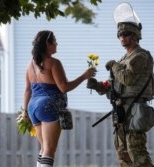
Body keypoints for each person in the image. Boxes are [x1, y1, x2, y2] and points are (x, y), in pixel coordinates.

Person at [87, 10, 154, 167]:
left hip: (135, 108)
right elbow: (116, 83)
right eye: (119, 35)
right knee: (123, 152)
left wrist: (113, 65)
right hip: (122, 110)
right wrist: (97, 86)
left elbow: (128, 79)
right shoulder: (124, 59)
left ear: (135, 36)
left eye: (125, 34)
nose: (122, 38)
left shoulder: (141, 56)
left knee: (136, 150)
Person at [22, 30, 96, 167]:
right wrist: (84, 76)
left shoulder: (30, 64)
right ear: (47, 44)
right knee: (49, 150)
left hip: (33, 107)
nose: (57, 43)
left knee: (44, 148)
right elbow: (64, 87)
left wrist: (25, 111)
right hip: (49, 106)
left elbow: (27, 90)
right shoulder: (53, 63)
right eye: (54, 41)